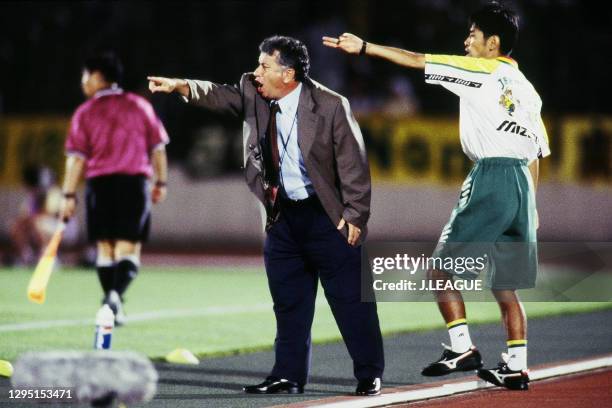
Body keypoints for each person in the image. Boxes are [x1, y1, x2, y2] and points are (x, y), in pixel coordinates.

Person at [324, 2, 549, 391]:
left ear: (492, 43)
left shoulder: (480, 70)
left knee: (439, 269)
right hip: (523, 188)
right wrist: (533, 208)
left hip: (492, 175)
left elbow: (415, 60)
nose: (466, 41)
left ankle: (462, 347)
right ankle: (516, 366)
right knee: (505, 285)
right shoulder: (529, 90)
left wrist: (365, 48)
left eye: (473, 34)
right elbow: (537, 153)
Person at [148, 35, 384, 396]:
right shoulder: (251, 89)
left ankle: (369, 373)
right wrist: (182, 85)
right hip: (282, 216)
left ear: (288, 75)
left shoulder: (331, 105)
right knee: (289, 302)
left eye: (264, 66)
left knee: (350, 300)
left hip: (327, 216)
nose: (256, 72)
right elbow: (218, 94)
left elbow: (353, 163)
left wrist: (355, 215)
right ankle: (287, 375)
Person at [60, 51, 169, 325]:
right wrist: (161, 181)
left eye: (85, 76)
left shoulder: (84, 113)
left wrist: (68, 195)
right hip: (133, 184)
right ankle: (114, 299)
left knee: (106, 250)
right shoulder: (139, 105)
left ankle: (111, 301)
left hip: (100, 186)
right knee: (128, 250)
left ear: (97, 77)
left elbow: (76, 160)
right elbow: (158, 149)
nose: (83, 82)